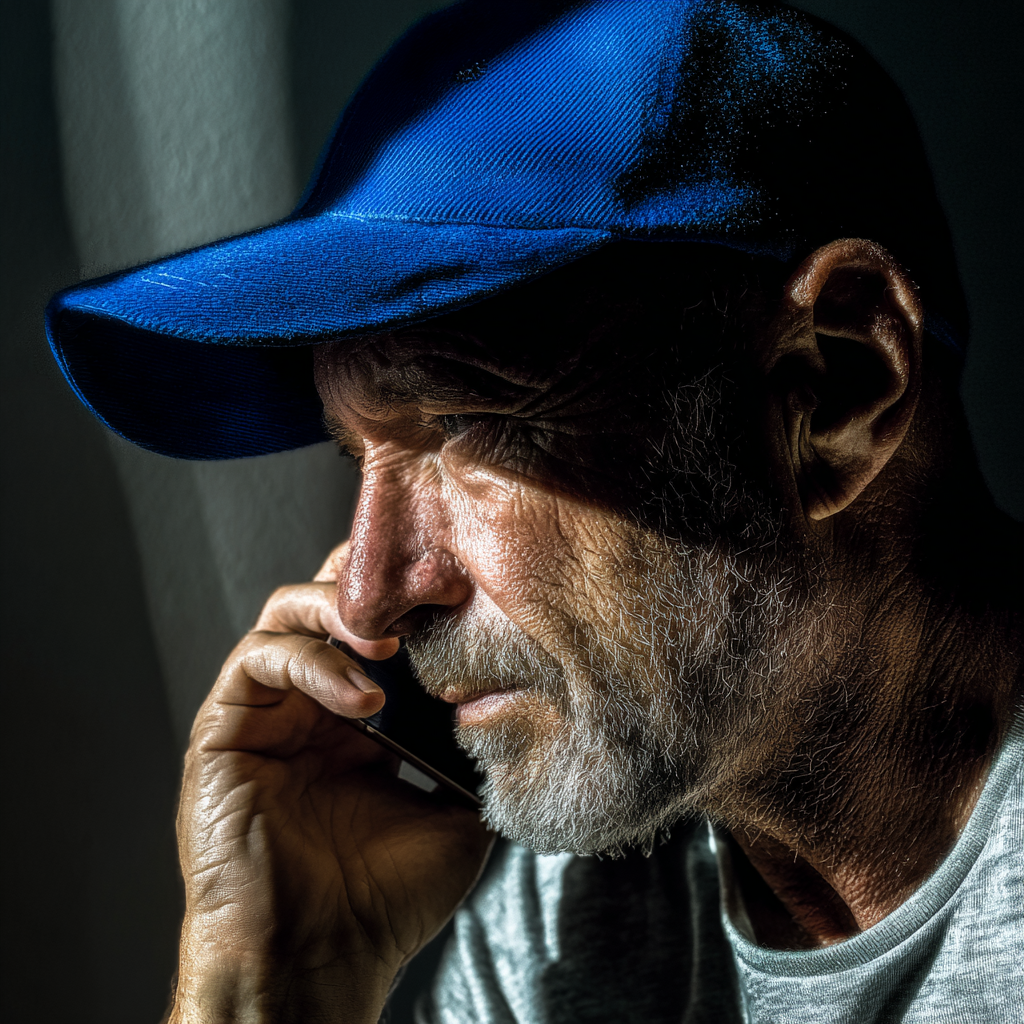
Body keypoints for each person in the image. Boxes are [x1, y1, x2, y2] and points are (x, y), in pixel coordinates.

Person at [45, 1, 1021, 1021]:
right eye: (361, 453)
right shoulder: (572, 921)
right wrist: (272, 983)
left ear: (834, 388)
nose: (370, 595)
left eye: (471, 426)